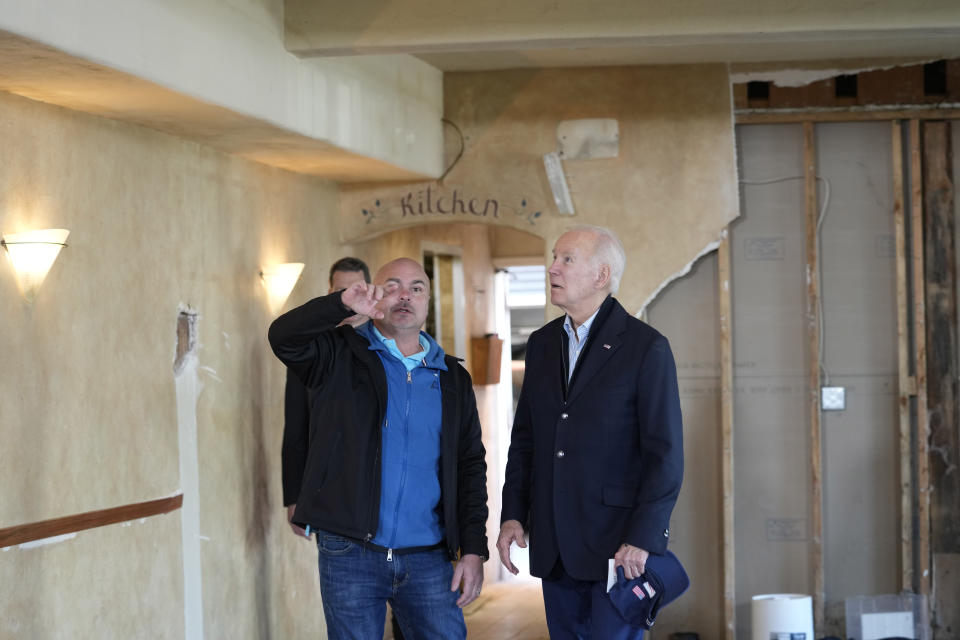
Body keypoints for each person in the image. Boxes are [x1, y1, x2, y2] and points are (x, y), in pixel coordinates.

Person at [269, 257, 488, 640]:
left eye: (417, 288)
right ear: (373, 295)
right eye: (393, 286)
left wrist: (473, 549)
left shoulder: (453, 378)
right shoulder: (337, 356)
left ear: (427, 301)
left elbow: (470, 466)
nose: (405, 295)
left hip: (430, 558)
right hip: (351, 553)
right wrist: (340, 304)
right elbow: (282, 336)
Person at [496, 225, 684, 639]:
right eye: (554, 258)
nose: (552, 268)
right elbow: (526, 438)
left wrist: (643, 537)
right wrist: (513, 514)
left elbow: (664, 455)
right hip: (553, 547)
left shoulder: (645, 347)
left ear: (601, 276)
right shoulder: (542, 344)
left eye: (566, 259)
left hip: (617, 550)